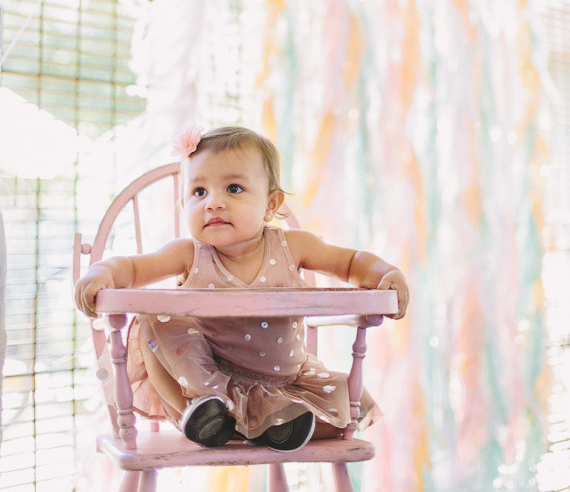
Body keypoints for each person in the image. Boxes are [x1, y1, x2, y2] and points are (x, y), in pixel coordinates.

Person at [75, 125, 409, 452]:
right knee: (154, 319)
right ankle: (205, 416)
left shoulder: (294, 246)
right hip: (207, 390)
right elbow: (134, 268)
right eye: (199, 192)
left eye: (233, 188)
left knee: (349, 405)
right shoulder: (189, 254)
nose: (213, 203)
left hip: (285, 385)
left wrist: (384, 274)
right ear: (184, 206)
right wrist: (103, 272)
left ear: (271, 204)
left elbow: (350, 263)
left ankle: (267, 427)